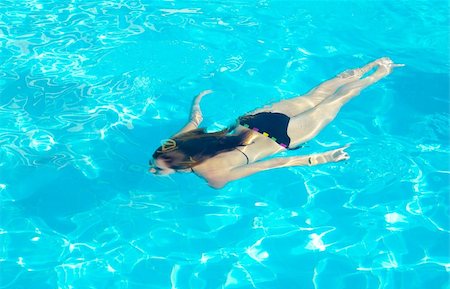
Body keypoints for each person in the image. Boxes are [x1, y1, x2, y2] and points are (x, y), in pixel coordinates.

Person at [149, 57, 403, 189]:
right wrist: (198, 99)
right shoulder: (175, 143)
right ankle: (368, 66)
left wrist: (322, 158)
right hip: (253, 121)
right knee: (314, 96)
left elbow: (273, 163)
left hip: (282, 137)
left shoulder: (212, 176)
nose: (152, 170)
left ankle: (381, 73)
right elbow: (195, 120)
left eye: (157, 168)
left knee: (336, 102)